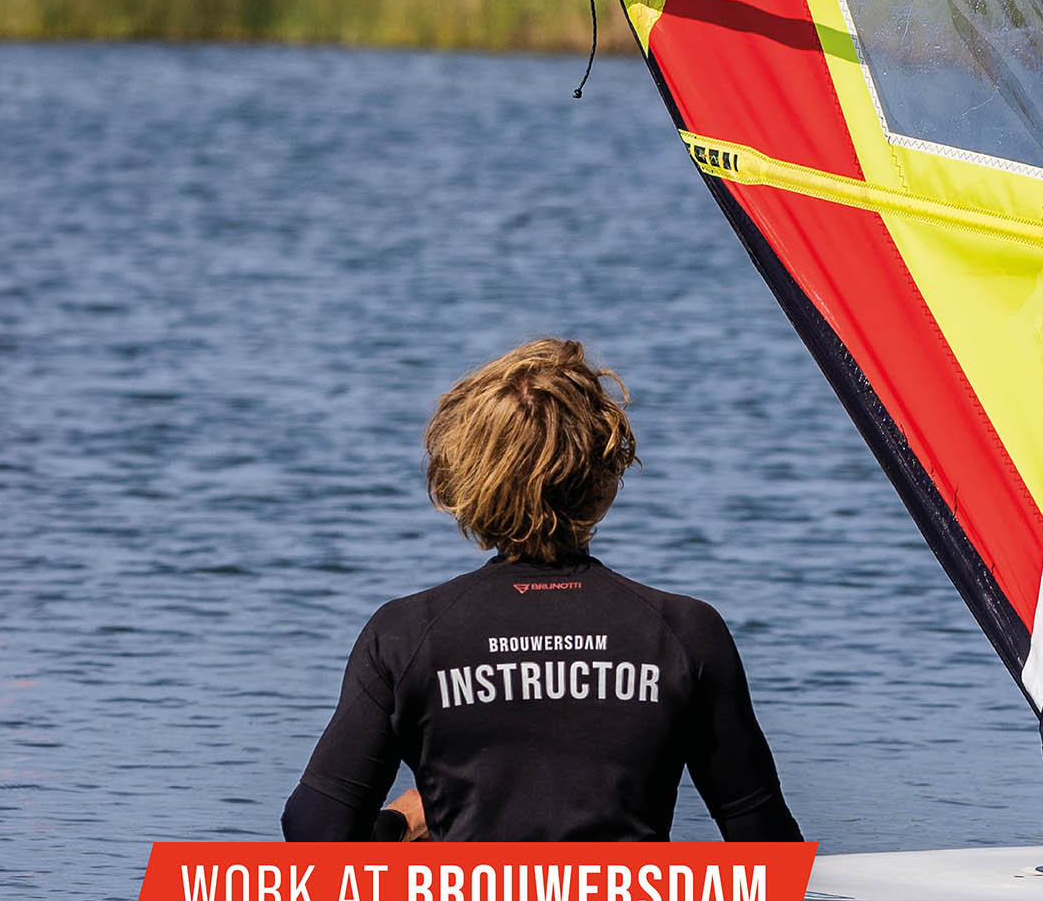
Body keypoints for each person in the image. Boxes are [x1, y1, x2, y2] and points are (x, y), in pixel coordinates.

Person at [281, 339, 802, 845]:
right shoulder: (685, 631)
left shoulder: (404, 634)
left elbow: (314, 830)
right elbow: (764, 841)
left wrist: (403, 821)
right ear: (605, 481)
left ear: (466, 481)